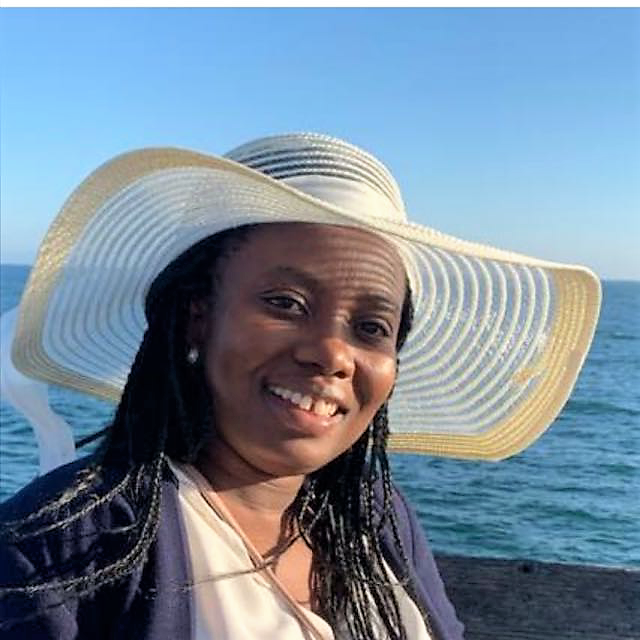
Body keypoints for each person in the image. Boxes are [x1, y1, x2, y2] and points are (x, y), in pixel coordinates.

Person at [0, 133, 601, 639]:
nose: (333, 354)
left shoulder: (377, 518)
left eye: (371, 328)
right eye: (286, 303)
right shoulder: (61, 547)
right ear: (198, 318)